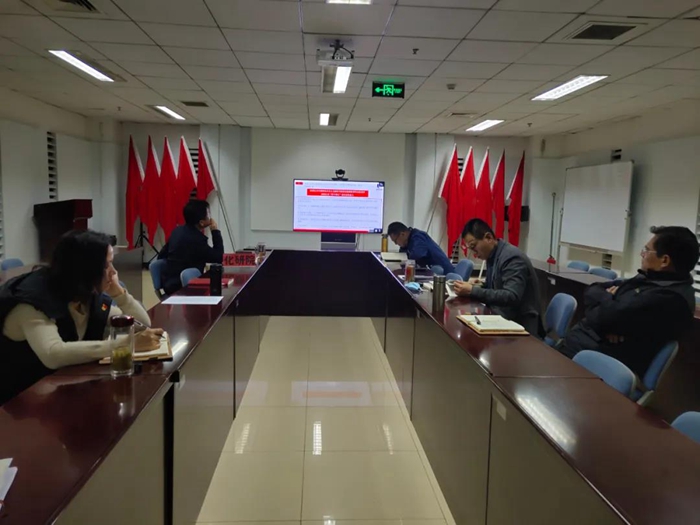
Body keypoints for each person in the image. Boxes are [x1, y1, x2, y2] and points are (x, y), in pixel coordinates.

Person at [0, 230, 163, 405]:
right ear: (85, 269)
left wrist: (120, 295)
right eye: (107, 265)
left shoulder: (84, 293)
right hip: (19, 404)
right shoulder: (32, 300)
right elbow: (53, 354)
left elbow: (142, 325)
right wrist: (125, 345)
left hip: (62, 391)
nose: (114, 272)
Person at [560, 226, 698, 378]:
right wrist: (610, 304)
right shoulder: (651, 278)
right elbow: (593, 289)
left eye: (647, 250)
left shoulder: (671, 298)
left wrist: (608, 307)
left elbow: (604, 318)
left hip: (602, 365)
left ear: (664, 260)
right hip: (585, 346)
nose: (642, 254)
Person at [454, 218, 543, 336]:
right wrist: (477, 286)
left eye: (474, 246)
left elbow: (511, 296)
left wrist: (472, 291)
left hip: (519, 324)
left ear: (488, 238)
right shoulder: (493, 255)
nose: (474, 253)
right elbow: (495, 287)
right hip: (502, 317)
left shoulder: (512, 258)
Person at [158, 199, 224, 295]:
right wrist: (215, 231)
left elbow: (162, 255)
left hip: (169, 283)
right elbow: (219, 257)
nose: (211, 217)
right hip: (183, 288)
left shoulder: (177, 231)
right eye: (209, 214)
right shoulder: (197, 240)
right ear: (201, 222)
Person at [387, 222, 455, 274]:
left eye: (395, 241)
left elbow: (417, 255)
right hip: (431, 274)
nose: (396, 244)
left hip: (444, 274)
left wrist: (403, 268)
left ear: (403, 234)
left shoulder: (418, 237)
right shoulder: (406, 243)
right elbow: (403, 259)